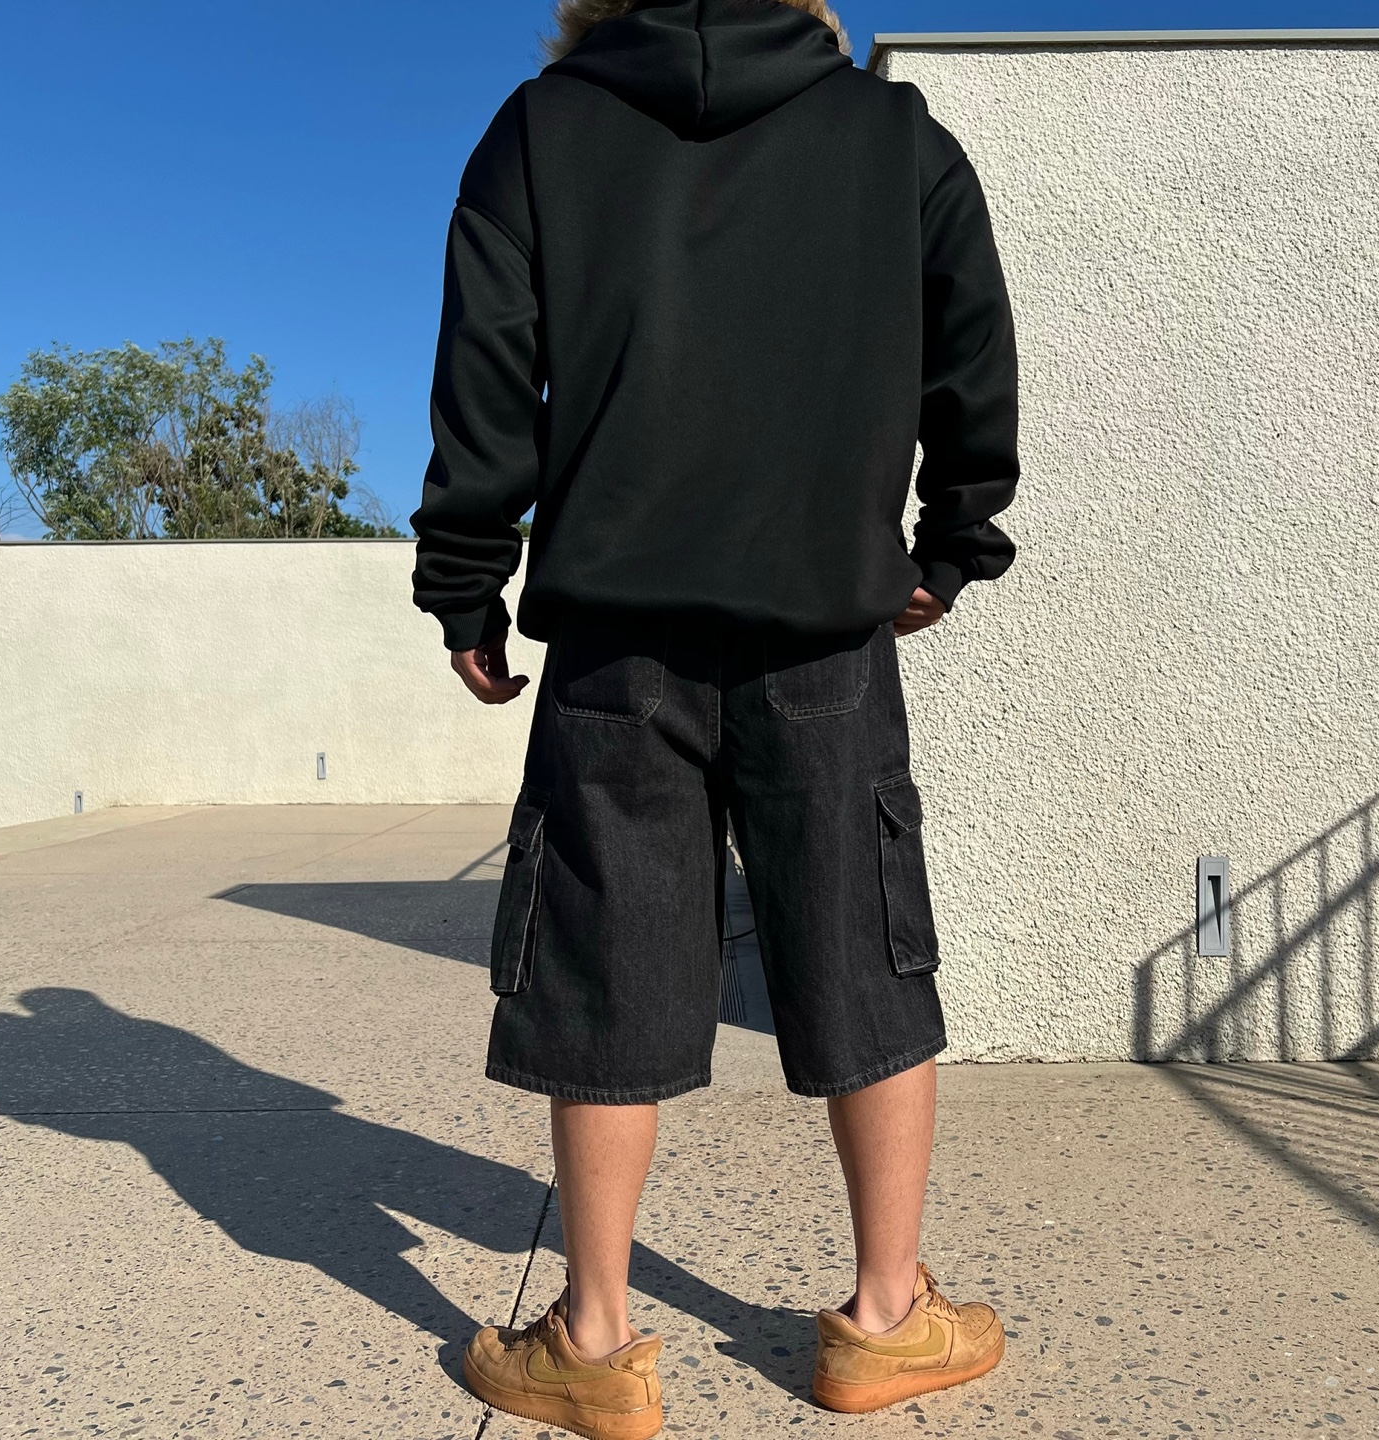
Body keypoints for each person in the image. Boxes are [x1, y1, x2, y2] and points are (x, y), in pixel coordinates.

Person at [411, 1, 1019, 1435]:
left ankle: (595, 1342)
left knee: (601, 959)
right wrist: (952, 541)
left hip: (616, 637)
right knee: (862, 945)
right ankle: (886, 1321)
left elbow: (487, 367)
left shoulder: (540, 133)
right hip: (823, 626)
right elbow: (971, 346)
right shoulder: (893, 136)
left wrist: (466, 581)